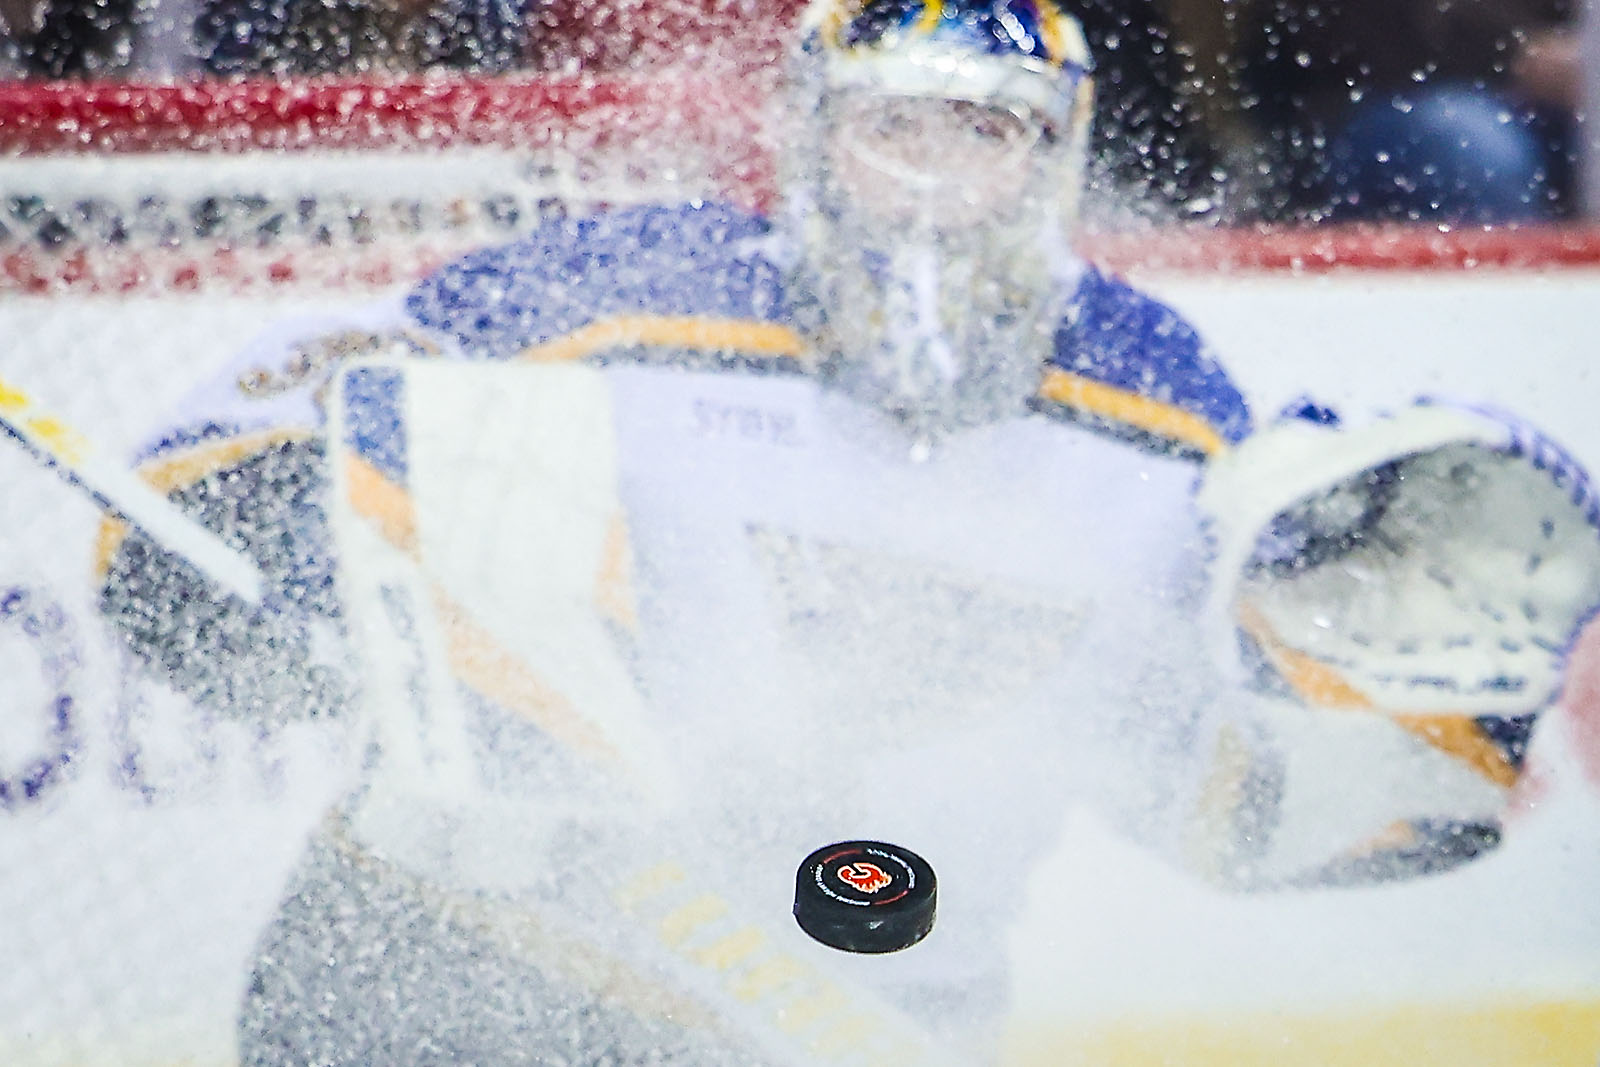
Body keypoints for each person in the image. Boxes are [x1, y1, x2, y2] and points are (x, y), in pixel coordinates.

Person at [91, 0, 1600, 1062]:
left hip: (851, 1021)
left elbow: (1204, 794)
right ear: (811, 139)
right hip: (463, 971)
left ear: (1055, 155)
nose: (938, 179)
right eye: (895, 128)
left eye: (984, 132)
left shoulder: (1166, 416)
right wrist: (263, 548)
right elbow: (253, 426)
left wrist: (1400, 771)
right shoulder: (615, 297)